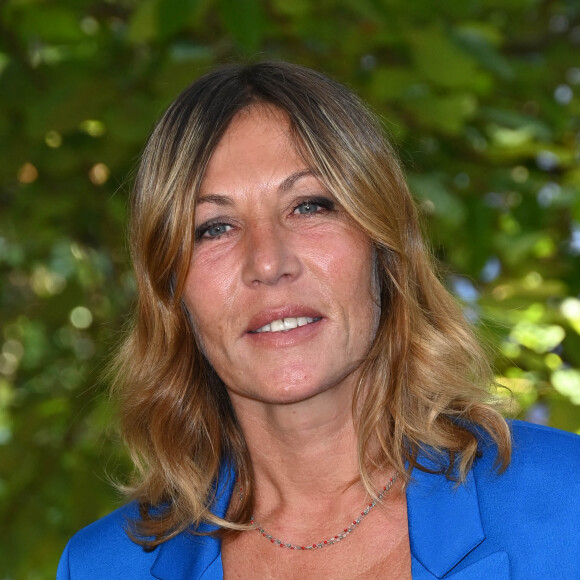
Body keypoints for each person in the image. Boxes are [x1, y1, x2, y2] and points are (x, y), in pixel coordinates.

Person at [57, 61, 579, 579]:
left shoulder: (565, 500)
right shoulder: (101, 567)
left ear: (383, 245)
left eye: (309, 206)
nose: (268, 263)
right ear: (172, 289)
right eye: (214, 227)